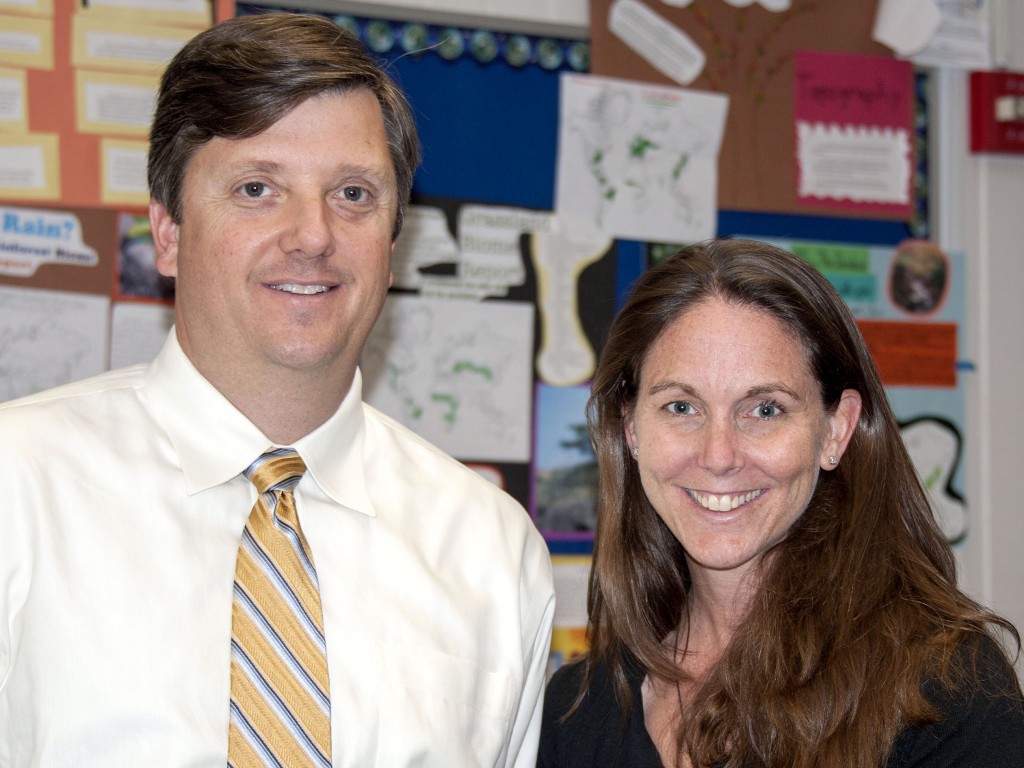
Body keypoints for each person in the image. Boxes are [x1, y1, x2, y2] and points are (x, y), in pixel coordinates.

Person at [0, 13, 554, 766]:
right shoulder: (18, 488)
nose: (313, 235)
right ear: (167, 232)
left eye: (354, 194)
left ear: (394, 244)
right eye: (258, 188)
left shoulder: (489, 548)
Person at [539, 238, 1024, 768]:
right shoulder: (576, 711)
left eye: (765, 409)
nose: (719, 455)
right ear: (631, 428)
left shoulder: (944, 692)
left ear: (836, 431)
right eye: (681, 406)